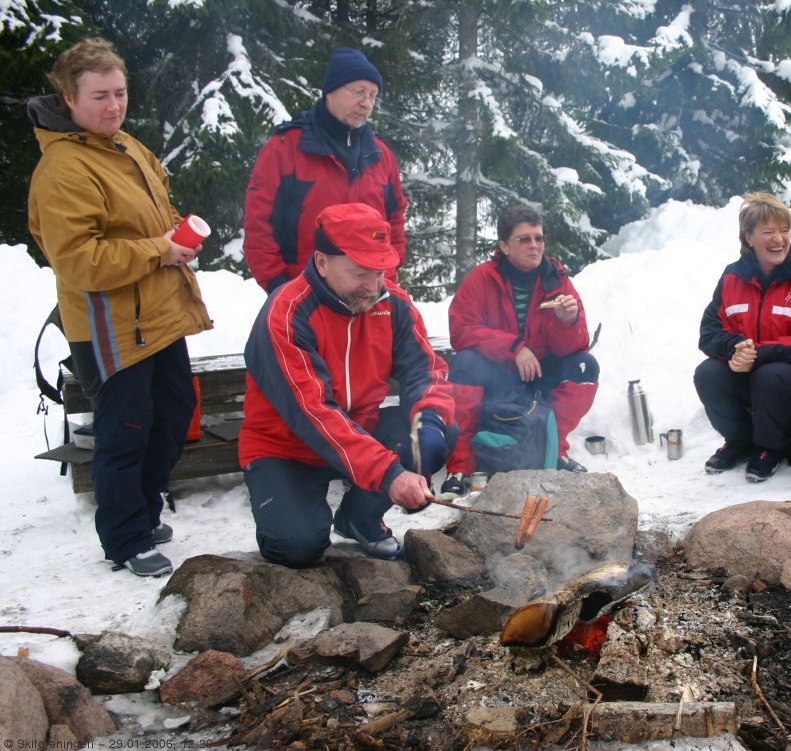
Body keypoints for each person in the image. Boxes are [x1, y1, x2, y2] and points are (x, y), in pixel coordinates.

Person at [27, 38, 213, 577]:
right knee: (125, 429)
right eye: (100, 96)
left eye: (120, 93)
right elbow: (79, 261)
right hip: (108, 324)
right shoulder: (64, 168)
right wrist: (160, 249)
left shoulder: (126, 147)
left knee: (173, 416)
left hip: (155, 313)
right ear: (69, 97)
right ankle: (126, 536)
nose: (114, 105)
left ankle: (143, 508)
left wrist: (174, 233)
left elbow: (154, 213)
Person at [239, 203, 456, 566]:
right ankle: (293, 510)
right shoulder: (288, 313)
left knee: (430, 433)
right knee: (298, 546)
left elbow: (426, 370)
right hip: (286, 447)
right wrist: (389, 474)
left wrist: (431, 421)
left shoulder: (393, 304)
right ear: (322, 263)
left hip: (360, 429)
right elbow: (315, 413)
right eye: (359, 273)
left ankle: (359, 517)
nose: (372, 287)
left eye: (380, 272)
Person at [442, 205, 599, 493]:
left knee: (584, 366)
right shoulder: (482, 279)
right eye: (524, 239)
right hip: (498, 374)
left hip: (539, 372)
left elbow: (575, 346)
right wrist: (513, 347)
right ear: (504, 246)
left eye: (539, 238)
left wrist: (567, 321)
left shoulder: (556, 279)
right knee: (463, 363)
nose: (534, 245)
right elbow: (461, 330)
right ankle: (460, 465)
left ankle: (554, 449)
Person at [695, 192, 791, 482]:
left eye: (784, 230)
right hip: (758, 376)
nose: (779, 239)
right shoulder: (732, 278)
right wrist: (736, 348)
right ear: (748, 238)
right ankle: (739, 441)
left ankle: (770, 447)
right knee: (708, 373)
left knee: (770, 375)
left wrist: (758, 354)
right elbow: (709, 333)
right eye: (768, 232)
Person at [243, 47, 407, 293]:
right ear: (330, 91)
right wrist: (279, 286)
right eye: (358, 92)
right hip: (302, 294)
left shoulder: (381, 156)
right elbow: (259, 226)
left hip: (368, 296)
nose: (366, 104)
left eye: (373, 96)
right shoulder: (285, 148)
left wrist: (386, 280)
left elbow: (394, 223)